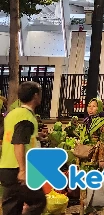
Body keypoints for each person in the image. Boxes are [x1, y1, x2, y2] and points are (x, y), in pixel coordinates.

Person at [0, 82, 46, 215]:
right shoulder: (27, 117)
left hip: (6, 166)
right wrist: (22, 170)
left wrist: (35, 136)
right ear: (35, 96)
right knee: (38, 201)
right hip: (17, 168)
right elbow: (19, 141)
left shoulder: (13, 113)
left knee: (12, 206)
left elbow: (9, 134)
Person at [80, 98, 104, 213]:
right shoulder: (86, 121)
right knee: (83, 185)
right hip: (84, 158)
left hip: (94, 158)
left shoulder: (103, 123)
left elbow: (103, 143)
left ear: (100, 108)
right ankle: (83, 210)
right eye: (89, 106)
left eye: (94, 106)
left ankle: (92, 210)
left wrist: (102, 159)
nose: (91, 108)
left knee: (92, 185)